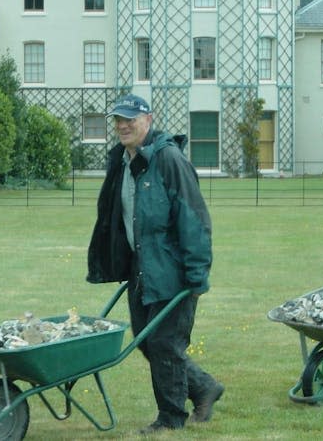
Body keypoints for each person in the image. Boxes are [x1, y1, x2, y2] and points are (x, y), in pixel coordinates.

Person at [87, 94, 224, 433]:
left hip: (172, 270)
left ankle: (170, 419)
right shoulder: (121, 160)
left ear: (149, 119)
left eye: (130, 119)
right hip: (141, 267)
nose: (122, 125)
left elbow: (194, 219)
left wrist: (196, 274)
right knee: (147, 340)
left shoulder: (168, 160)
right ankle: (204, 387)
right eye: (118, 119)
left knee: (165, 343)